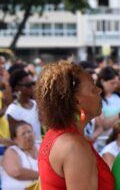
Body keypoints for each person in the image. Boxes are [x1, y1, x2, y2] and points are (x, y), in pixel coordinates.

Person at [35, 61, 114, 189]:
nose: (99, 90)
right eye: (93, 88)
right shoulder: (74, 147)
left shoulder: (56, 133)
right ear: (76, 101)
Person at [1, 121, 39, 190]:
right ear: (15, 139)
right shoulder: (12, 151)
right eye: (23, 134)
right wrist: (44, 176)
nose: (28, 135)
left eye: (29, 131)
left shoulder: (41, 146)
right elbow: (16, 172)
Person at [6, 69, 42, 142]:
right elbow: (15, 138)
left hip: (38, 148)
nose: (32, 87)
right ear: (17, 88)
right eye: (28, 85)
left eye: (33, 83)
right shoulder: (12, 110)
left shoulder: (35, 104)